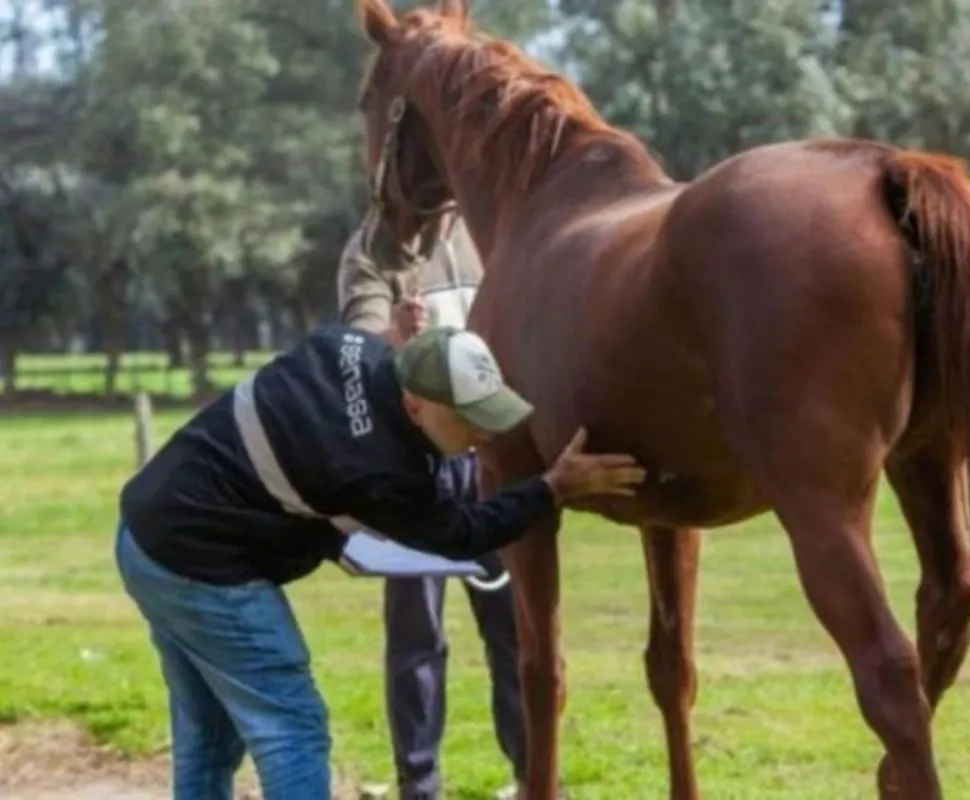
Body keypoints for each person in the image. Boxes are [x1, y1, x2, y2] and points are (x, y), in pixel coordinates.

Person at [114, 212, 646, 800]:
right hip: (198, 564)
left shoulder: (347, 345)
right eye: (466, 420)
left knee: (210, 740)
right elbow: (465, 532)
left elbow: (346, 391)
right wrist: (554, 487)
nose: (480, 436)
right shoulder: (381, 469)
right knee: (293, 727)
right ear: (415, 406)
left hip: (146, 533)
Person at [337, 213, 527, 800]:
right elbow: (358, 353)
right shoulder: (375, 248)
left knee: (514, 628)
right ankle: (420, 786)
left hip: (490, 453)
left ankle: (534, 775)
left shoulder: (491, 228)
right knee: (418, 633)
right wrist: (393, 337)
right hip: (418, 463)